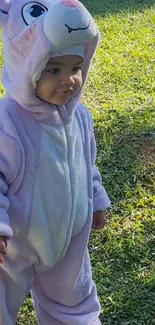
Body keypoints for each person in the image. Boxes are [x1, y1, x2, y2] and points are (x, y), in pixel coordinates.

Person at [0, 0, 110, 324]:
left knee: (75, 301)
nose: (68, 80)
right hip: (14, 246)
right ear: (26, 64)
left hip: (67, 242)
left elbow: (86, 163)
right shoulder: (9, 123)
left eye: (75, 67)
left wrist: (97, 200)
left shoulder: (80, 118)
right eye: (53, 69)